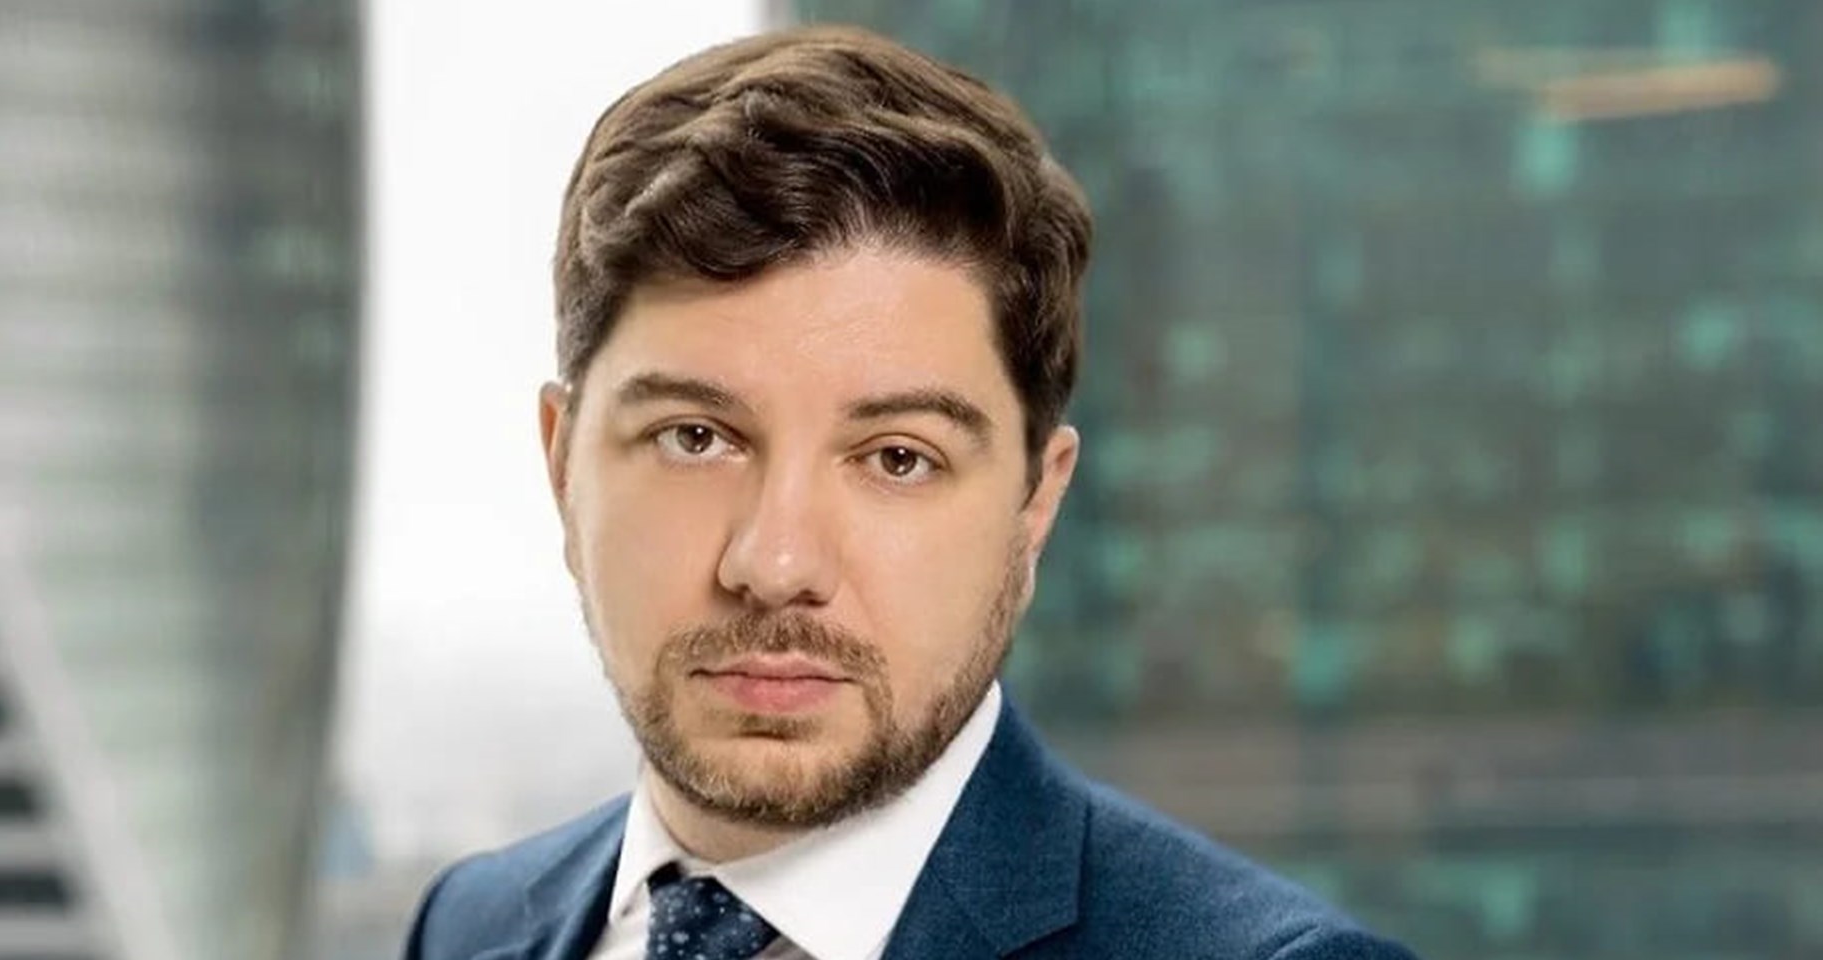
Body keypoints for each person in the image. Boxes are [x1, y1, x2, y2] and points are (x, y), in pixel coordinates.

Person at [403, 24, 1418, 960]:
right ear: (562, 466)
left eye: (897, 458)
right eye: (695, 438)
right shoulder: (468, 923)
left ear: (1035, 507)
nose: (775, 564)